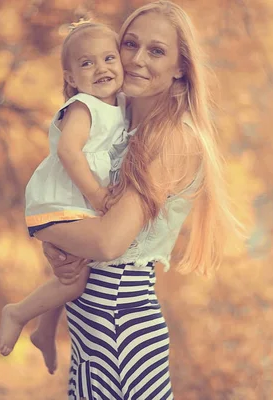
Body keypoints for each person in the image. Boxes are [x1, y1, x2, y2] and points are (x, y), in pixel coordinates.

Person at [32, 1, 243, 398]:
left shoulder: (173, 139)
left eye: (157, 51)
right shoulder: (116, 118)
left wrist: (54, 233)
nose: (136, 60)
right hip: (91, 325)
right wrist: (57, 244)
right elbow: (79, 207)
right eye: (130, 44)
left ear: (181, 66)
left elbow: (107, 242)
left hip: (119, 323)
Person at [0, 21, 126, 362]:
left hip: (73, 203)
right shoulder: (84, 106)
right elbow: (69, 152)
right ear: (71, 78)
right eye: (87, 63)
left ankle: (44, 328)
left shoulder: (119, 107)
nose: (101, 68)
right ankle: (18, 313)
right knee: (75, 279)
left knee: (74, 269)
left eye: (109, 58)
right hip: (59, 202)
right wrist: (98, 195)